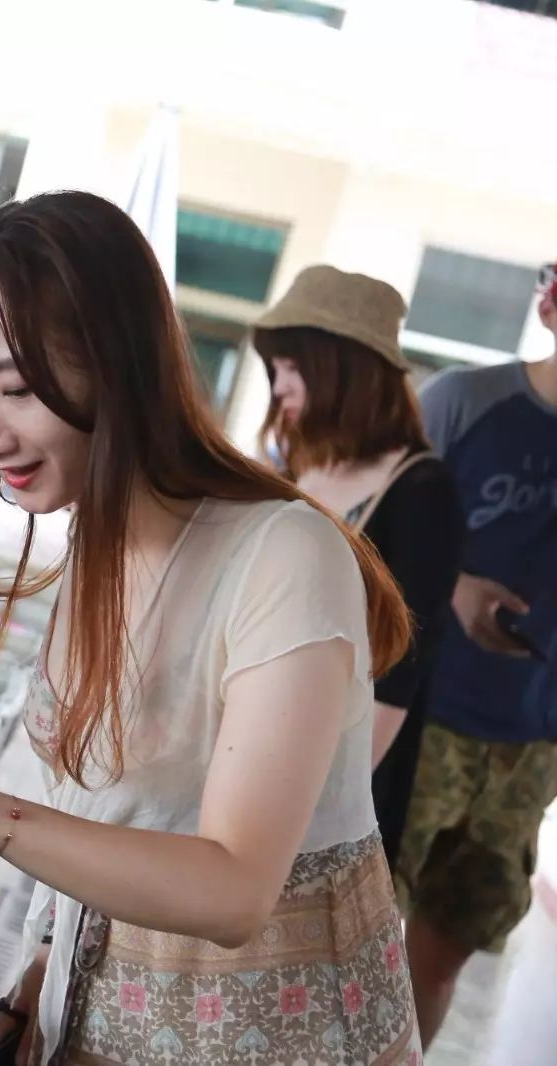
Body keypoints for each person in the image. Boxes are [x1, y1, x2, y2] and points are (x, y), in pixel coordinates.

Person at [0, 192, 421, 1064]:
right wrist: (43, 963)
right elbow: (100, 803)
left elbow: (235, 889)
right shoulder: (99, 543)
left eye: (19, 387)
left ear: (119, 361)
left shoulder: (282, 553)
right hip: (102, 1021)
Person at [393, 264, 557, 1051]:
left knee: (444, 955)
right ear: (549, 300)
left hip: (533, 742)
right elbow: (368, 536)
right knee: (347, 928)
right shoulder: (464, 401)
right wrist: (452, 586)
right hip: (418, 715)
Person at [254, 265, 466, 866]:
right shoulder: (293, 467)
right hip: (256, 747)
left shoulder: (423, 492)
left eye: (293, 369)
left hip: (339, 788)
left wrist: (313, 807)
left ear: (341, 370)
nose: (279, 389)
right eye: (276, 370)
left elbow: (401, 672)